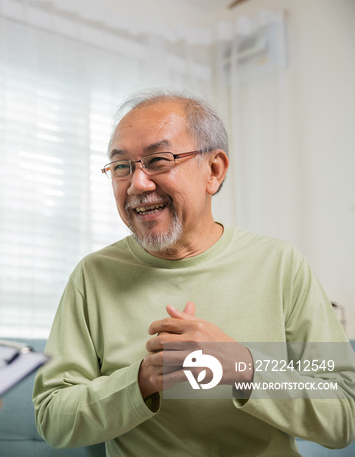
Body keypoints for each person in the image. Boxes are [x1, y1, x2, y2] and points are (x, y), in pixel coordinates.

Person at [32, 89, 355, 456]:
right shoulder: (93, 276)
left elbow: (344, 414)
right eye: (122, 166)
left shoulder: (281, 264)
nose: (137, 184)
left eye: (159, 160)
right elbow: (53, 419)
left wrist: (243, 366)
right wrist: (141, 380)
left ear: (213, 171)